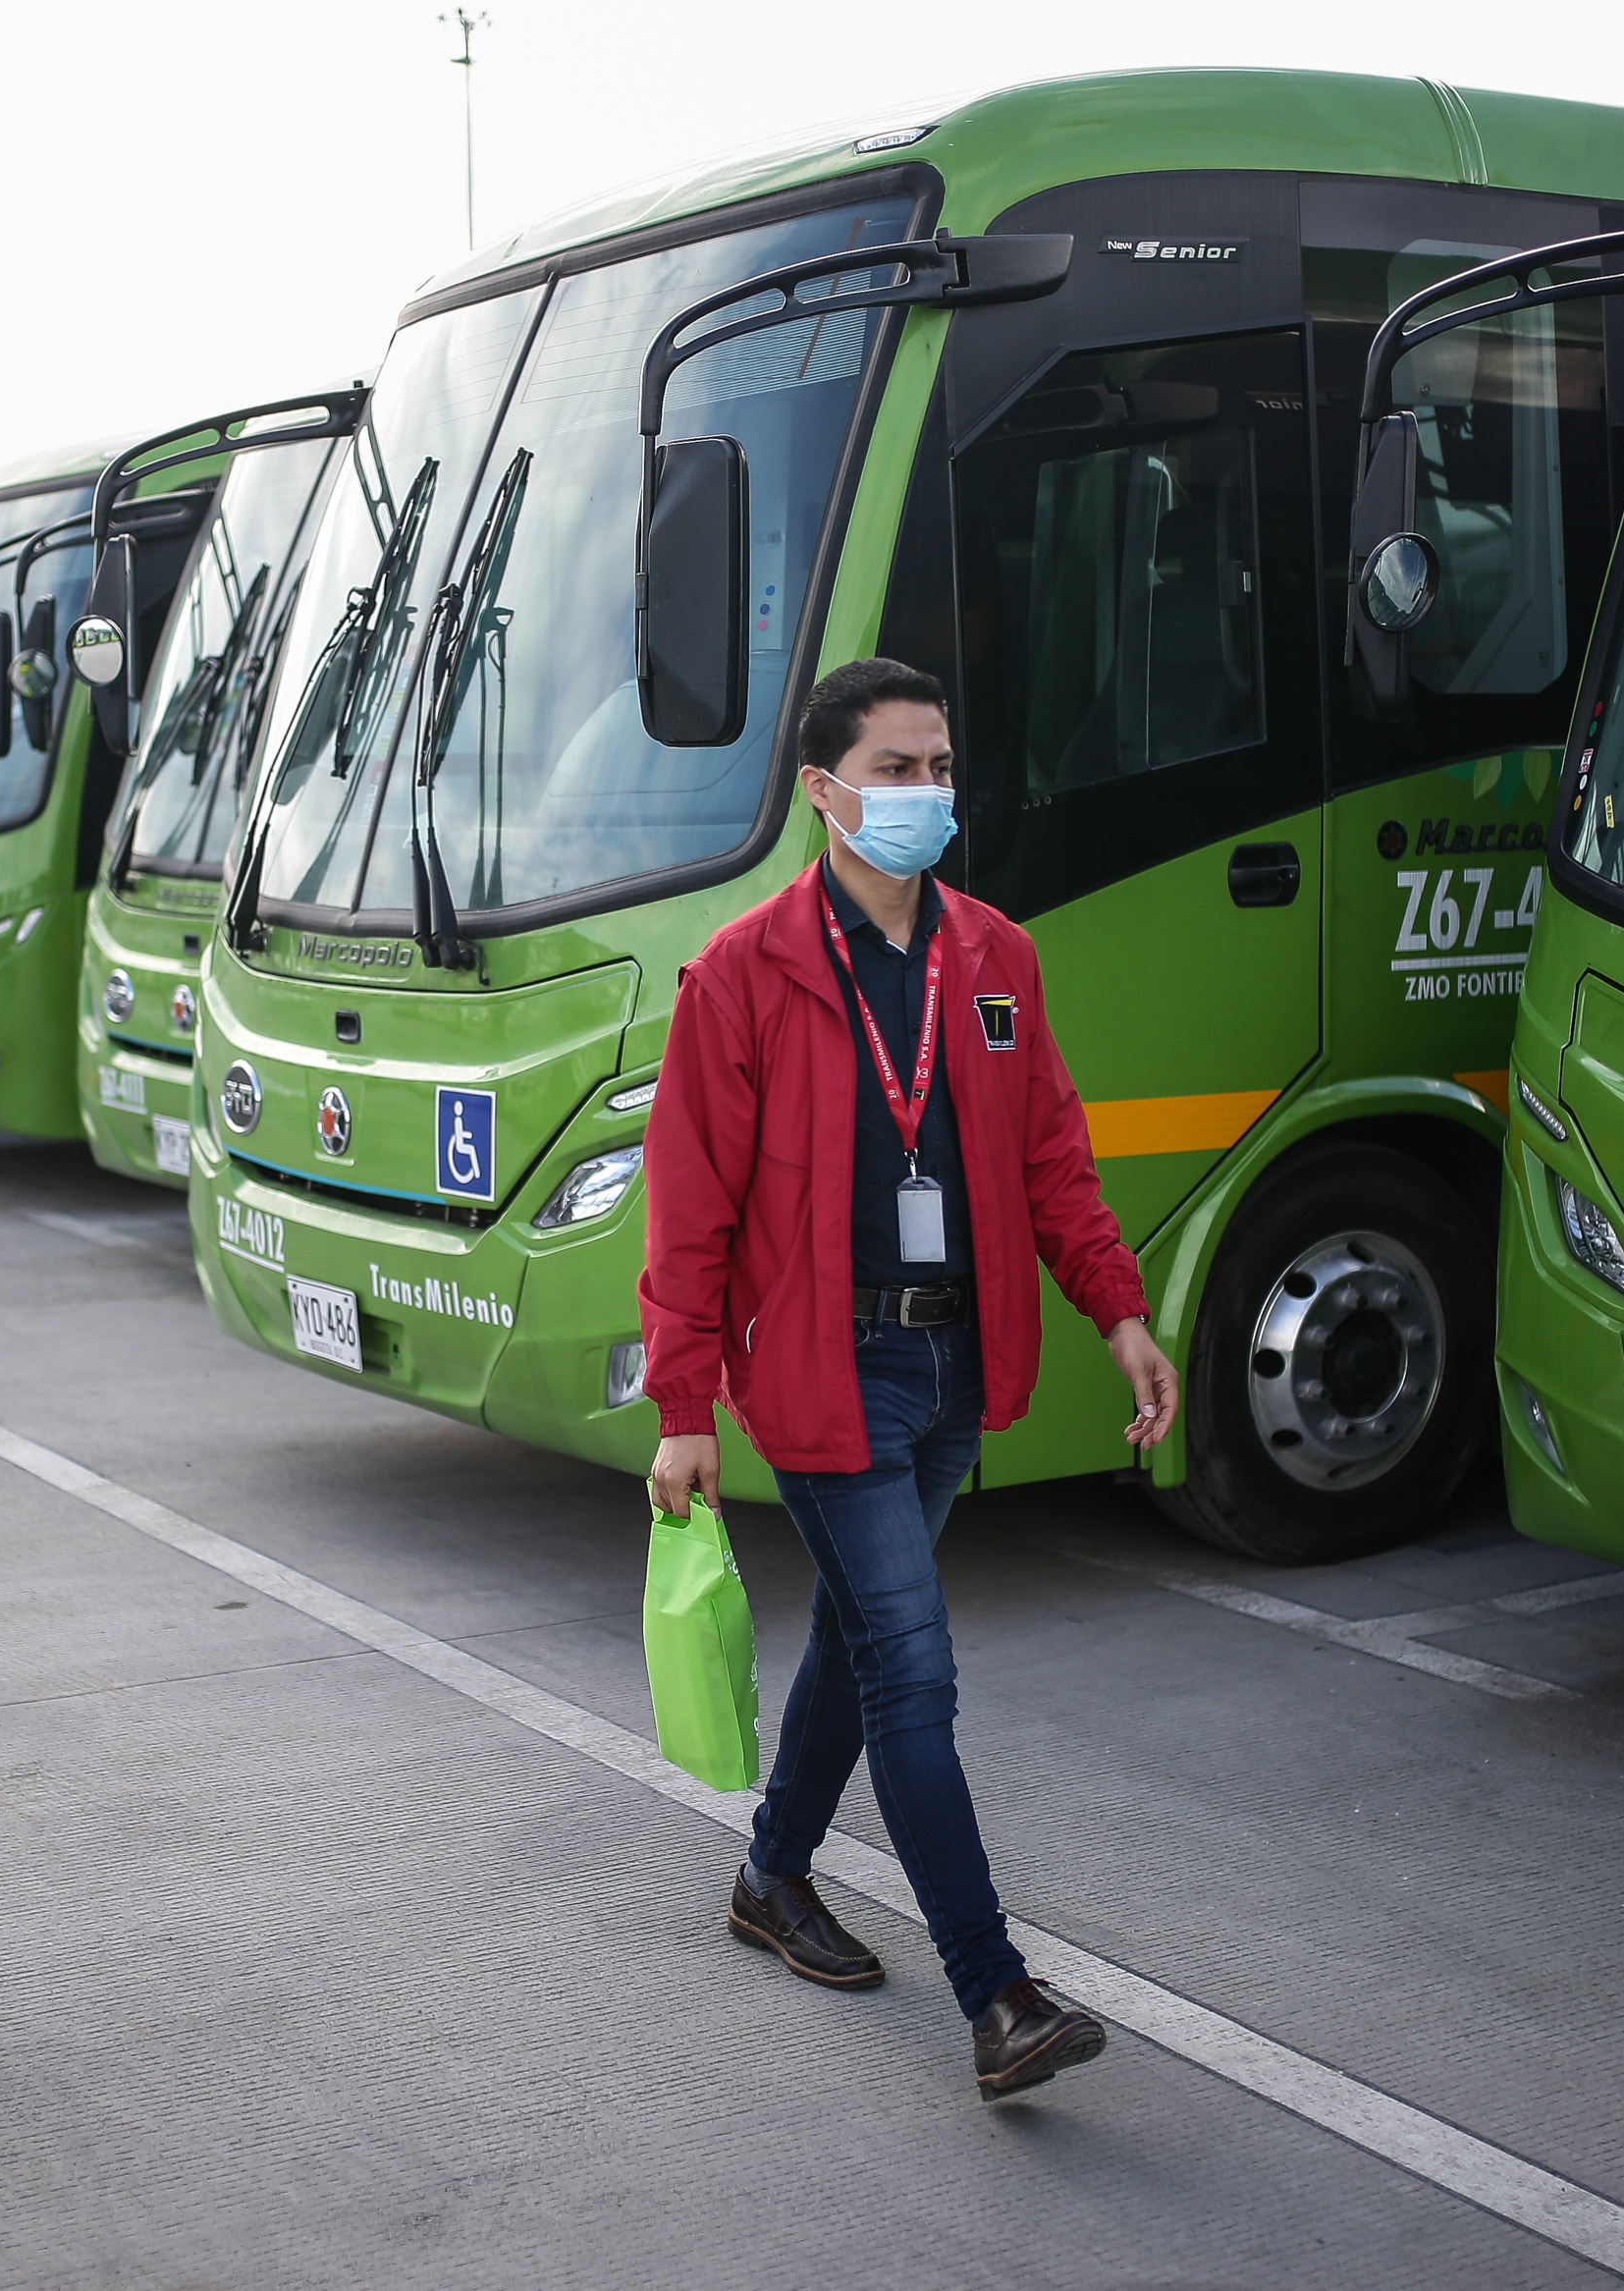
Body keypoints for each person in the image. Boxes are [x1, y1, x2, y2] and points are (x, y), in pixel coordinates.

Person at [638, 655, 1178, 2100]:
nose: (927, 793)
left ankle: (769, 1876)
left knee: (863, 1641)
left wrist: (1119, 1312)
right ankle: (996, 1991)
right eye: (896, 769)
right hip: (824, 1365)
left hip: (956, 1354)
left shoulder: (994, 955)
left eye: (940, 765)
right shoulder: (742, 975)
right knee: (914, 1674)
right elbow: (689, 1208)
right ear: (824, 792)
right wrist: (684, 1408)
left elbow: (1051, 1155)